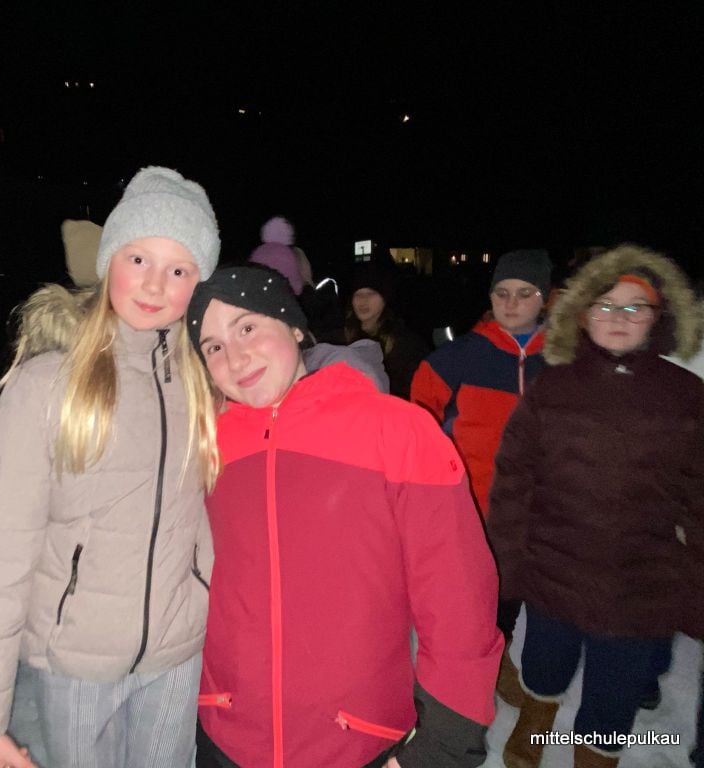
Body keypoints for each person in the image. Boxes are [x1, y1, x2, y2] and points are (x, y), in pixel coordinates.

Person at [0, 166, 223, 768]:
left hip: (178, 653)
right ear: (108, 259)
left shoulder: (205, 383)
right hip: (75, 661)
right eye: (139, 259)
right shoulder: (48, 384)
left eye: (180, 270)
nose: (155, 284)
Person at [186, 265, 502, 768]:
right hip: (227, 737)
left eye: (247, 327)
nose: (235, 358)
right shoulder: (206, 446)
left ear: (294, 327)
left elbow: (457, 596)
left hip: (358, 740)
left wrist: (445, 740)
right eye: (213, 347)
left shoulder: (398, 431)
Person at [487, 244, 704, 768]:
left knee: (615, 688)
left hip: (640, 585)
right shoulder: (552, 388)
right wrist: (509, 563)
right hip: (554, 571)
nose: (619, 317)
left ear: (658, 316)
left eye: (635, 306)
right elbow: (514, 481)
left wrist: (695, 583)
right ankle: (538, 716)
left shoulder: (686, 395)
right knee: (544, 662)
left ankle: (596, 754)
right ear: (584, 314)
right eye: (606, 304)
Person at [410, 248, 552, 706]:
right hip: (471, 503)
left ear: (544, 298)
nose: (511, 303)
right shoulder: (460, 356)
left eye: (524, 293)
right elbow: (418, 422)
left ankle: (499, 656)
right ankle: (456, 670)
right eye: (502, 293)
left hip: (534, 508)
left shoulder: (565, 359)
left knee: (511, 593)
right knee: (465, 594)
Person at [345, 261, 431, 399]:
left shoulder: (406, 344)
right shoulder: (341, 338)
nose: (363, 300)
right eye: (358, 294)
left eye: (371, 293)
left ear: (385, 299)